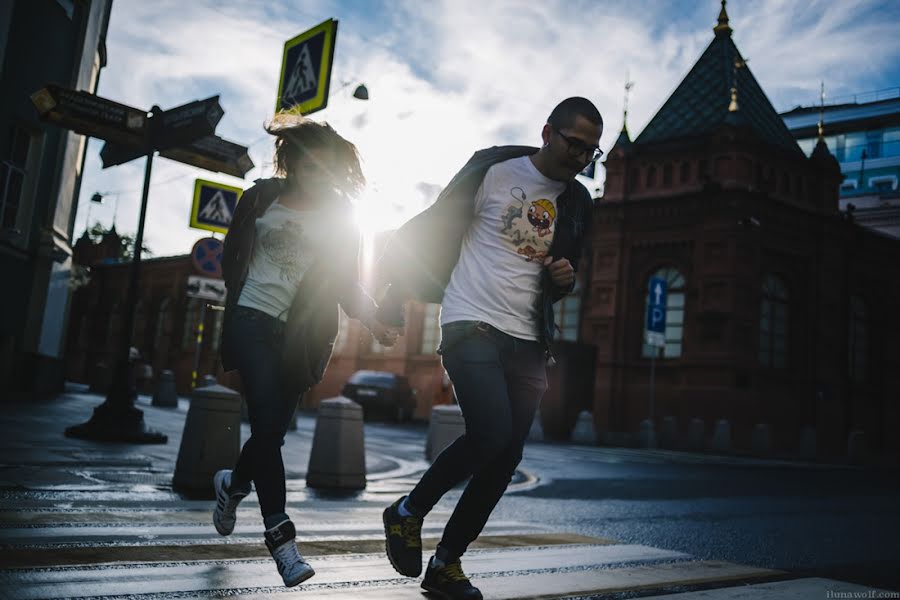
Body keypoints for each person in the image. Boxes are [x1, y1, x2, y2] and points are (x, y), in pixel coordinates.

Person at [376, 97, 603, 599]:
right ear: (548, 132)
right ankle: (407, 512)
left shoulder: (579, 202)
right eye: (575, 144)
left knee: (505, 458)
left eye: (592, 151)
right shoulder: (494, 170)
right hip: (469, 320)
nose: (582, 157)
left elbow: (561, 274)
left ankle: (446, 563)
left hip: (528, 339)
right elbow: (434, 231)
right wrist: (393, 293)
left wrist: (566, 277)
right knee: (492, 432)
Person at [215, 113, 398, 587]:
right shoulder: (257, 198)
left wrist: (373, 315)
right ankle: (283, 544)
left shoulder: (341, 220)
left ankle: (233, 485)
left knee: (269, 430)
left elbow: (344, 281)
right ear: (292, 162)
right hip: (251, 321)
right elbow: (232, 257)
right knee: (269, 432)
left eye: (328, 169)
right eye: (312, 166)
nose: (320, 176)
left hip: (300, 338)